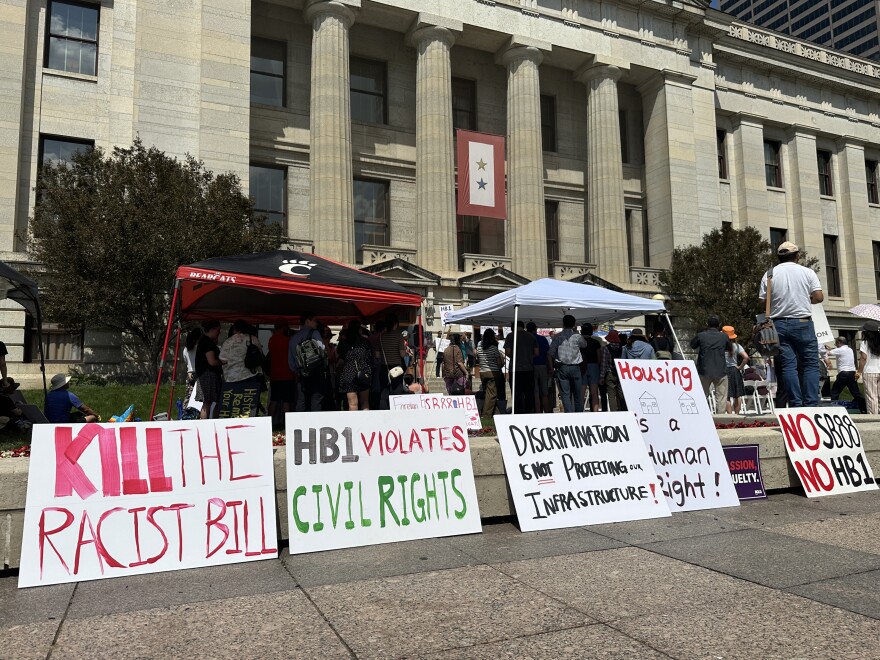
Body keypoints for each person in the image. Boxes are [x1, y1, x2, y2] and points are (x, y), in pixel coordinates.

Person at [759, 241, 824, 407]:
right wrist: (805, 299)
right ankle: (811, 403)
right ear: (797, 256)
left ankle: (795, 403)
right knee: (810, 364)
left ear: (779, 257)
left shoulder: (769, 274)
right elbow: (818, 297)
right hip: (803, 322)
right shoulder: (807, 272)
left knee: (788, 366)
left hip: (779, 324)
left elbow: (762, 302)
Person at [218, 319, 265, 416]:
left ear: (234, 329)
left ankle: (236, 422)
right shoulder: (253, 339)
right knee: (251, 404)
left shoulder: (228, 342)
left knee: (235, 405)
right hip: (251, 375)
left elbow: (223, 360)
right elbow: (260, 354)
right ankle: (252, 421)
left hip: (232, 378)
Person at [548, 315, 590, 413]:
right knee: (578, 394)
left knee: (565, 394)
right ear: (574, 324)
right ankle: (579, 414)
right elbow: (584, 345)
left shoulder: (557, 337)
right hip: (575, 367)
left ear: (563, 324)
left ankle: (569, 414)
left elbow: (551, 353)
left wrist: (554, 362)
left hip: (562, 367)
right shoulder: (577, 336)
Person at [689, 317, 731, 413]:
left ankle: (702, 416)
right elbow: (729, 348)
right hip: (720, 370)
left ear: (707, 324)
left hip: (704, 370)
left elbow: (692, 345)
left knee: (702, 396)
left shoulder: (701, 335)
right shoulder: (724, 336)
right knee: (721, 398)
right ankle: (720, 419)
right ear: (719, 325)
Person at [288, 313, 326, 412]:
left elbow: (291, 361)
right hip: (316, 372)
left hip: (301, 373)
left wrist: (297, 371)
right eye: (315, 321)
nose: (317, 323)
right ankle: (315, 420)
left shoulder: (293, 338)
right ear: (307, 321)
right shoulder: (315, 333)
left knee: (301, 401)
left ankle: (300, 420)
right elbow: (322, 349)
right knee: (316, 400)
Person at [337, 320, 372, 411]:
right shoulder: (365, 342)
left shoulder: (343, 342)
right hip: (363, 372)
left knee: (352, 404)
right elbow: (369, 357)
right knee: (365, 403)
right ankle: (365, 420)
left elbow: (339, 357)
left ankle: (353, 421)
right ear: (359, 330)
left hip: (348, 373)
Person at [505, 321, 538, 414]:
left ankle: (518, 412)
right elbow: (536, 353)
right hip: (529, 368)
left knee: (516, 394)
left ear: (513, 327)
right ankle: (530, 411)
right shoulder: (531, 336)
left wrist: (516, 356)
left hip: (515, 369)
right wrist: (528, 356)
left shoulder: (510, 336)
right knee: (529, 393)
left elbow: (507, 352)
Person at [376, 313, 407, 409]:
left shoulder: (381, 336)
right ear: (396, 324)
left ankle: (383, 412)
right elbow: (402, 354)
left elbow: (377, 355)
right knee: (396, 392)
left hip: (384, 367)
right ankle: (395, 412)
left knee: (384, 392)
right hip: (396, 368)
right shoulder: (398, 336)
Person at [267, 321, 294, 426]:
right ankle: (288, 424)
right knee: (286, 401)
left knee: (274, 400)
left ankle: (269, 422)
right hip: (287, 374)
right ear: (283, 327)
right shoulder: (288, 340)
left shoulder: (271, 340)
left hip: (275, 374)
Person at [195, 320, 223, 419]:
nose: (219, 332)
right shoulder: (207, 342)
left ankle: (206, 422)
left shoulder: (204, 340)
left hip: (204, 374)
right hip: (208, 375)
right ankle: (206, 422)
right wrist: (222, 362)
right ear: (212, 329)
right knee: (208, 402)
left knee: (208, 402)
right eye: (218, 330)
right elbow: (212, 362)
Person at [828, 336, 865, 411]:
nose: (835, 345)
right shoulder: (850, 349)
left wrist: (824, 349)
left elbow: (827, 353)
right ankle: (864, 406)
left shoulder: (839, 350)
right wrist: (831, 349)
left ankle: (832, 409)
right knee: (855, 392)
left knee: (835, 392)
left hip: (843, 374)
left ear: (839, 342)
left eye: (836, 343)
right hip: (852, 373)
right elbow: (837, 351)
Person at [476, 328, 505, 417]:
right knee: (492, 395)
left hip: (482, 372)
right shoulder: (494, 348)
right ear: (492, 338)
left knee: (487, 394)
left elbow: (478, 359)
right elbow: (499, 363)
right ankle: (486, 415)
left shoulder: (479, 348)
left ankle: (495, 413)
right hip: (493, 372)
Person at [722, 326, 749, 414]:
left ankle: (730, 416)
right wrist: (740, 367)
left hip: (724, 370)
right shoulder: (737, 346)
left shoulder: (721, 346)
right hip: (734, 370)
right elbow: (746, 357)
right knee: (737, 395)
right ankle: (737, 415)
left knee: (726, 395)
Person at [527, 322, 552, 413]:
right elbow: (548, 354)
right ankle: (547, 412)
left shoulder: (527, 339)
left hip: (530, 366)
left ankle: (538, 412)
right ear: (536, 329)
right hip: (542, 366)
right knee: (545, 392)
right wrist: (551, 367)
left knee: (535, 392)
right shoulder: (542, 339)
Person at [579, 323, 603, 412]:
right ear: (591, 331)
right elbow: (599, 358)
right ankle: (595, 413)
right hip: (594, 366)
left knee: (581, 393)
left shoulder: (579, 343)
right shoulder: (596, 342)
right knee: (594, 393)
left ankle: (580, 412)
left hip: (582, 366)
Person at [858, 321, 880, 415]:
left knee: (871, 396)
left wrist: (859, 371)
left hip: (870, 371)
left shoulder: (865, 343)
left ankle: (874, 417)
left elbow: (863, 358)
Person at [604, 329, 626, 411]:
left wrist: (602, 377)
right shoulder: (623, 348)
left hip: (610, 372)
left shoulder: (606, 348)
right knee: (621, 393)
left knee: (611, 395)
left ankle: (614, 412)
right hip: (620, 372)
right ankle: (623, 410)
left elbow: (604, 364)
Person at [182, 327, 202, 410]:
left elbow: (186, 360)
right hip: (199, 373)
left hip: (190, 373)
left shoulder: (186, 349)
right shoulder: (200, 348)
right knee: (200, 397)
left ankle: (185, 411)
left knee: (188, 396)